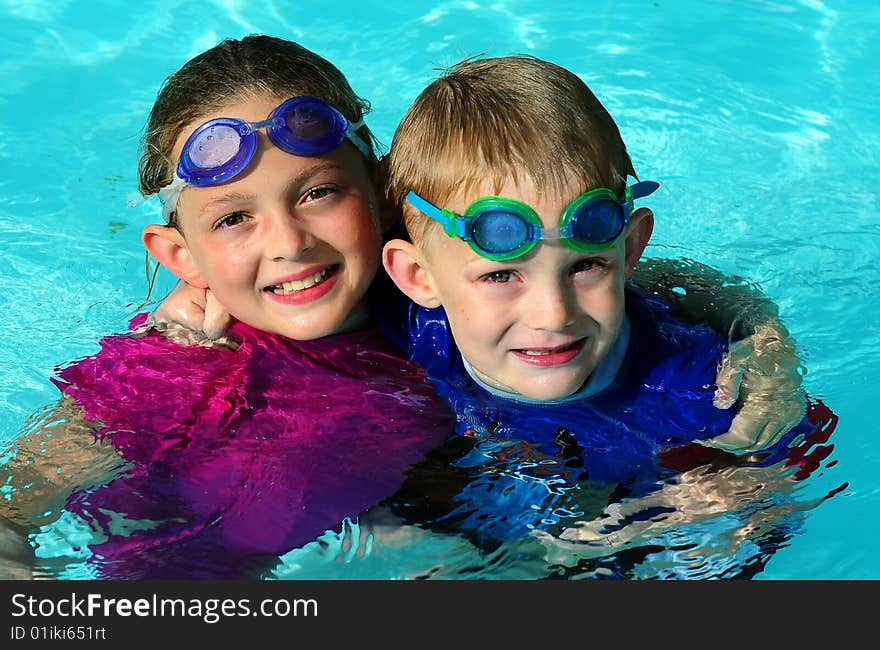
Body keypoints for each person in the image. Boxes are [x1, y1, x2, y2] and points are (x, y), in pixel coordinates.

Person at [0, 35, 455, 579]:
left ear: (384, 193)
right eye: (233, 218)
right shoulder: (179, 366)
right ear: (182, 257)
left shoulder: (449, 301)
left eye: (318, 193)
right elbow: (13, 506)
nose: (289, 242)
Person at [373, 54, 828, 549]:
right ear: (418, 276)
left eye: (586, 267)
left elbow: (791, 470)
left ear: (629, 250)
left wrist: (660, 521)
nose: (554, 314)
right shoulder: (401, 325)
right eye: (502, 275)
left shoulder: (694, 388)